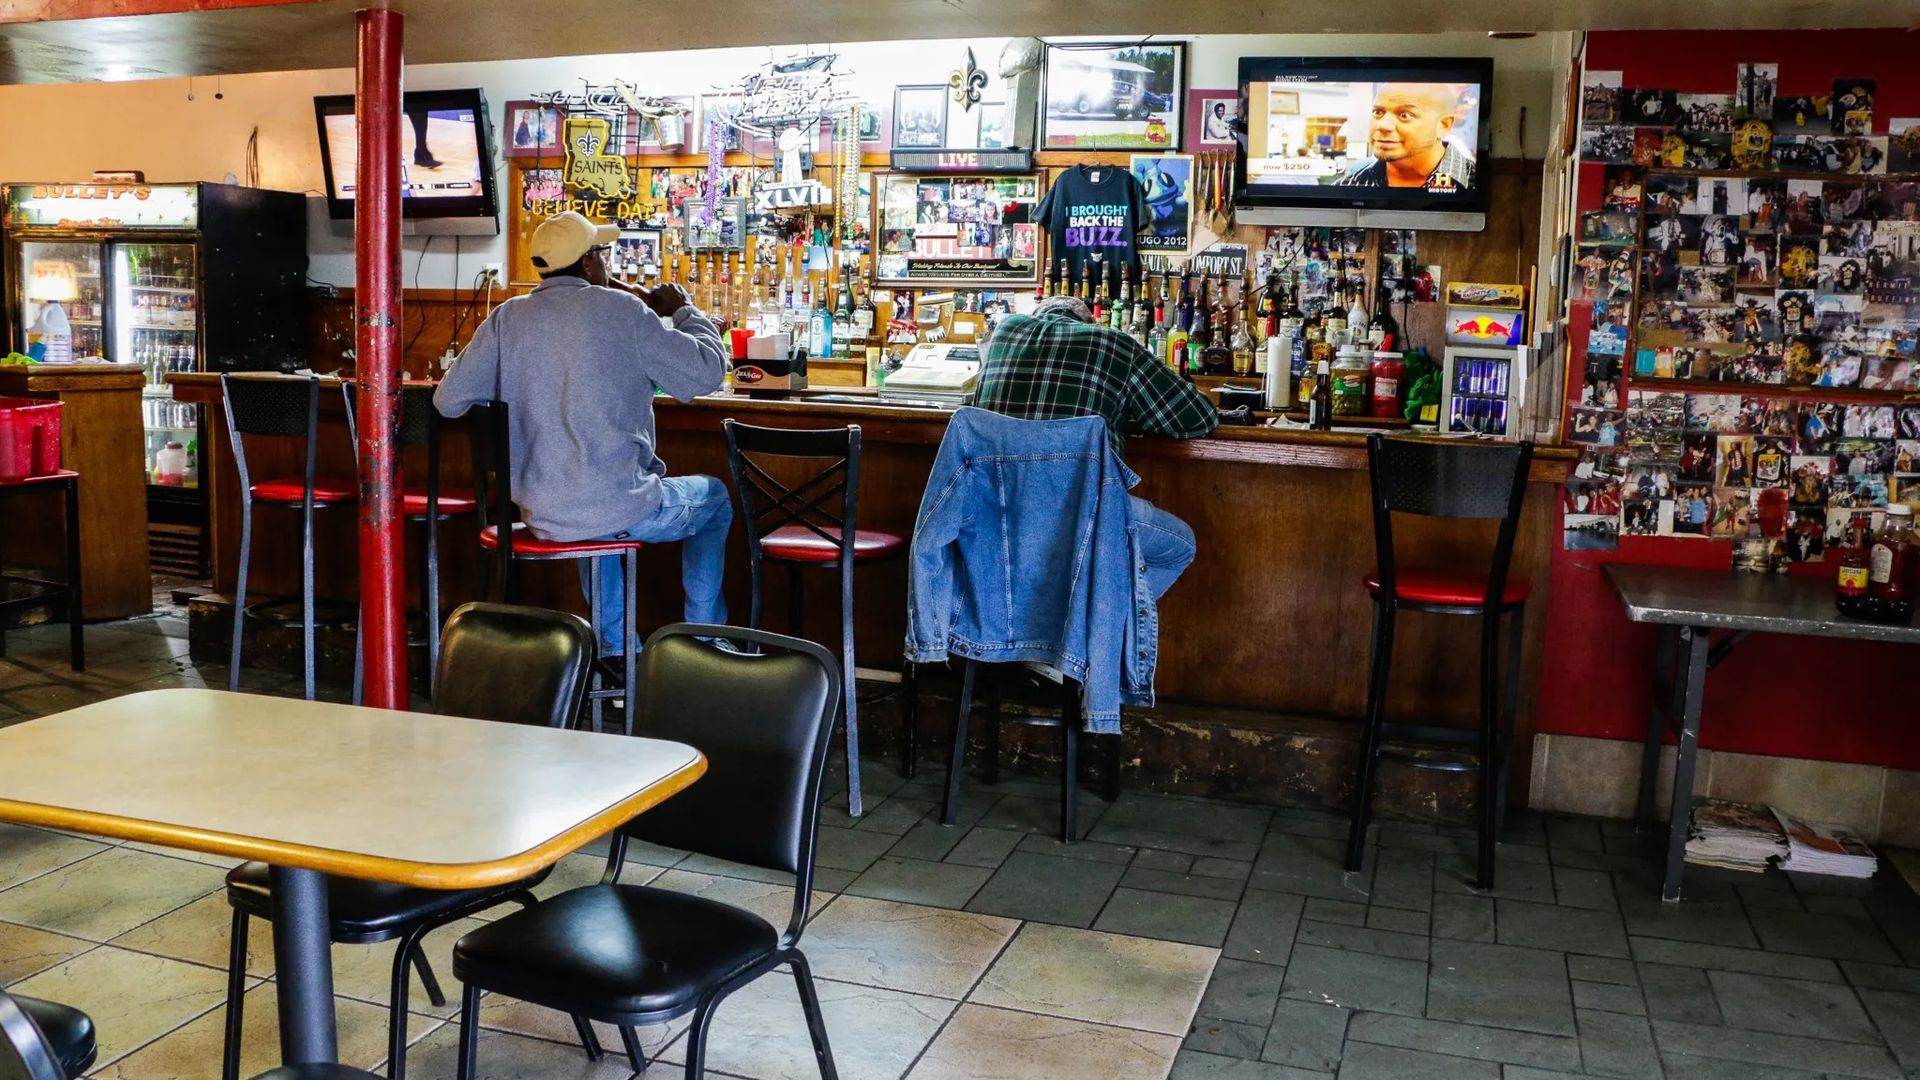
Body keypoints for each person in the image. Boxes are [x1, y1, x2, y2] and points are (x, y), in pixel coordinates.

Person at [435, 211, 731, 658]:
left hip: (544, 511)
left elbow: (447, 401)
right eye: (602, 254)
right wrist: (684, 311)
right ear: (589, 263)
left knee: (594, 514)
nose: (606, 263)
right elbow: (706, 372)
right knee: (714, 499)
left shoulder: (506, 318)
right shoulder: (624, 310)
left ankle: (617, 657)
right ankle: (706, 642)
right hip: (619, 505)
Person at [975, 294, 1218, 601]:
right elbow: (1197, 418)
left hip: (995, 517)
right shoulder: (1114, 343)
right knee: (1179, 546)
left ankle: (1073, 627)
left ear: (1037, 315)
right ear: (1091, 321)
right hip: (1083, 519)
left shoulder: (1004, 334)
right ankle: (1102, 626)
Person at [1336, 83, 1475, 190]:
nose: (1383, 125)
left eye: (1404, 115)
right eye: (1378, 112)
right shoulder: (1348, 185)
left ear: (1443, 125)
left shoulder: (1476, 183)